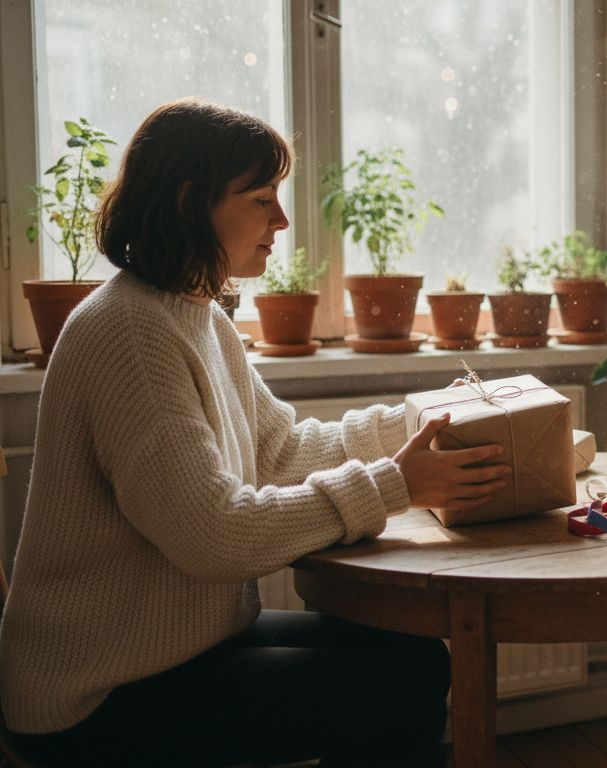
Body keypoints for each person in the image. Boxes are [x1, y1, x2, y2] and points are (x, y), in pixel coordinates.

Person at [0, 98, 512, 767]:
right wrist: (395, 486)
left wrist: (419, 421)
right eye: (262, 198)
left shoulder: (193, 311)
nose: (283, 221)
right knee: (395, 686)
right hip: (96, 692)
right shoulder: (129, 333)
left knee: (413, 655)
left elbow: (280, 451)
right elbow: (213, 537)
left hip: (180, 647)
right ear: (191, 201)